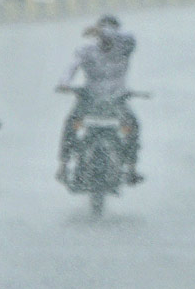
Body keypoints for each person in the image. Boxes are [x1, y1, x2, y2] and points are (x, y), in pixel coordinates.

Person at [56, 15, 141, 184]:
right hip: (90, 99)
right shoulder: (87, 50)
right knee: (71, 124)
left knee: (132, 125)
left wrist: (102, 31)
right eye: (101, 32)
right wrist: (64, 83)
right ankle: (63, 166)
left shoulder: (125, 47)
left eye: (108, 31)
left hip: (117, 100)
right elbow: (72, 66)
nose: (104, 37)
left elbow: (128, 37)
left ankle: (132, 168)